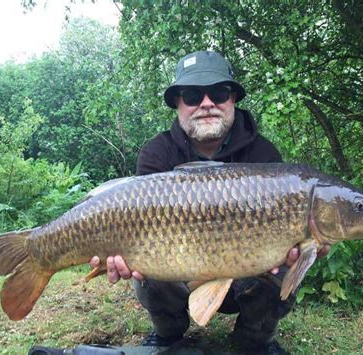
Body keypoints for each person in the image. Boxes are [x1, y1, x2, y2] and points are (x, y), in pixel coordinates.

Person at [89, 50, 329, 354]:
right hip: (178, 269)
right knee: (144, 268)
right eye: (192, 95)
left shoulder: (264, 156)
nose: (206, 104)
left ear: (232, 100)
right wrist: (117, 254)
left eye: (218, 93)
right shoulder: (157, 154)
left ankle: (254, 339)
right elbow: (131, 221)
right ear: (177, 103)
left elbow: (294, 250)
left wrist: (304, 247)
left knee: (282, 269)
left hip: (248, 275)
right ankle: (168, 334)